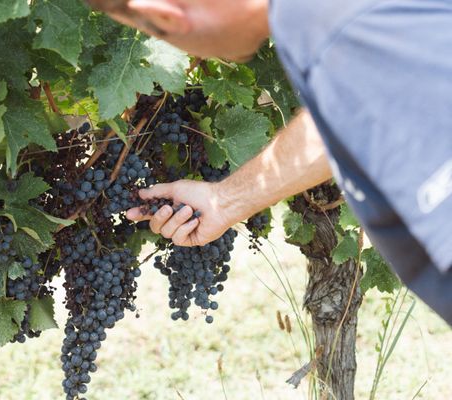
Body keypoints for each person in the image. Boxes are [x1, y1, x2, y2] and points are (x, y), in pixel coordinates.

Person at [86, 0, 452, 325]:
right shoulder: (334, 21)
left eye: (158, 36)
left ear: (165, 15)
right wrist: (226, 200)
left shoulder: (349, 33)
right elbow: (344, 116)